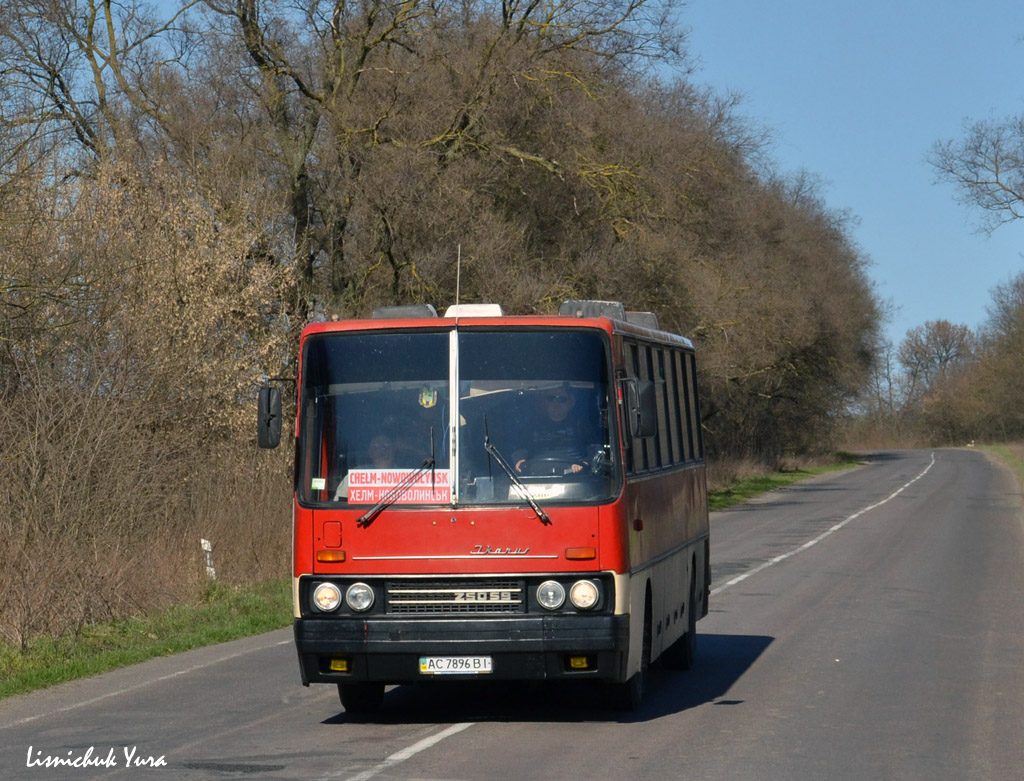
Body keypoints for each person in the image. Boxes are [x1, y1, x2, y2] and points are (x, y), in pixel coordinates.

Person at [513, 385, 592, 475]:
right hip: (537, 476)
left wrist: (585, 463)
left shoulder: (580, 425)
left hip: (573, 475)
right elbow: (520, 448)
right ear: (545, 402)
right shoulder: (532, 425)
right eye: (551, 398)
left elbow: (594, 449)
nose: (556, 403)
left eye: (561, 399)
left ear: (570, 403)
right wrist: (520, 460)